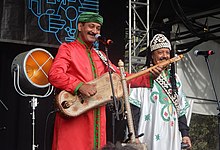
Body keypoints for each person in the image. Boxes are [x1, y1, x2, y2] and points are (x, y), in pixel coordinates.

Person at [48, 12, 163, 150]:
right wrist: (79, 86)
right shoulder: (68, 49)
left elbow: (121, 77)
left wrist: (149, 77)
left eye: (98, 28)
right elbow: (55, 74)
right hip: (75, 114)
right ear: (80, 26)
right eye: (91, 26)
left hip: (97, 117)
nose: (95, 31)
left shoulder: (101, 55)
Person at [129, 34, 192, 150]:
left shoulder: (175, 79)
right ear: (152, 55)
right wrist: (134, 135)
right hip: (149, 130)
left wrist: (185, 134)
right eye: (160, 52)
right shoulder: (143, 76)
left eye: (167, 53)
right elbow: (134, 108)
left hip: (171, 134)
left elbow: (180, 109)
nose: (165, 56)